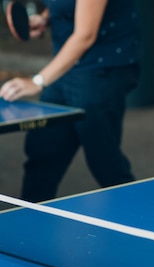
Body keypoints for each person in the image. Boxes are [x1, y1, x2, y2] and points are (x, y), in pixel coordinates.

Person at [0, 0, 139, 203]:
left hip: (101, 71)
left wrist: (38, 81)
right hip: (66, 70)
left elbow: (85, 35)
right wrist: (45, 18)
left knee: (104, 161)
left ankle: (141, 221)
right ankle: (28, 225)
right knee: (42, 154)